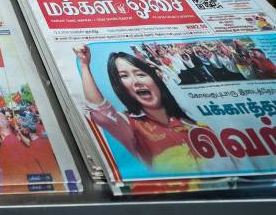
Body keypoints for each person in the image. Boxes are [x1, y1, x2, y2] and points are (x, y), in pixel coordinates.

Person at [74, 45, 206, 171]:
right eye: (124, 76)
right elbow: (100, 109)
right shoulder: (129, 124)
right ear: (120, 86)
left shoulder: (193, 120)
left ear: (155, 79)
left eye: (141, 74)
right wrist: (84, 66)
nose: (136, 81)